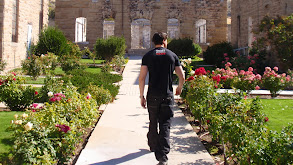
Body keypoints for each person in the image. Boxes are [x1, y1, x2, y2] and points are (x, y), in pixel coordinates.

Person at [139, 32, 185, 165]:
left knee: (153, 121)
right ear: (164, 40)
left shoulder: (148, 56)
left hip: (152, 95)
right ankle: (162, 157)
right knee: (165, 124)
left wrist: (141, 96)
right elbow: (182, 75)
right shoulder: (172, 55)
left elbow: (142, 78)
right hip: (167, 95)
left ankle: (153, 146)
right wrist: (179, 87)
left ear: (153, 42)